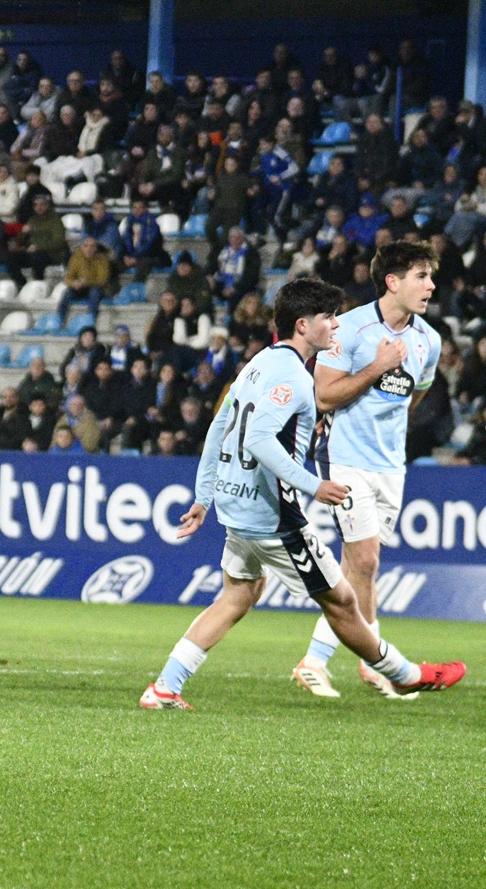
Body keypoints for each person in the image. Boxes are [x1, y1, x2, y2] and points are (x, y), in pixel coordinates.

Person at [142, 278, 464, 710]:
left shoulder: (258, 363)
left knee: (238, 596)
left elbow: (220, 425)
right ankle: (404, 675)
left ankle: (164, 687)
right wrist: (315, 485)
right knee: (343, 602)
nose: (335, 325)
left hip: (239, 509)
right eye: (327, 318)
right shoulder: (293, 377)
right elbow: (257, 439)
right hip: (274, 519)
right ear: (302, 325)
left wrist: (206, 497)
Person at [294, 242, 446, 698]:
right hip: (343, 456)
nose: (431, 285)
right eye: (422, 276)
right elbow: (324, 396)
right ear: (392, 281)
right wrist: (377, 367)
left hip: (389, 465)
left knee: (363, 568)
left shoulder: (429, 340)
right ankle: (315, 661)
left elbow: (413, 396)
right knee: (364, 559)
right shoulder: (351, 329)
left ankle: (372, 660)